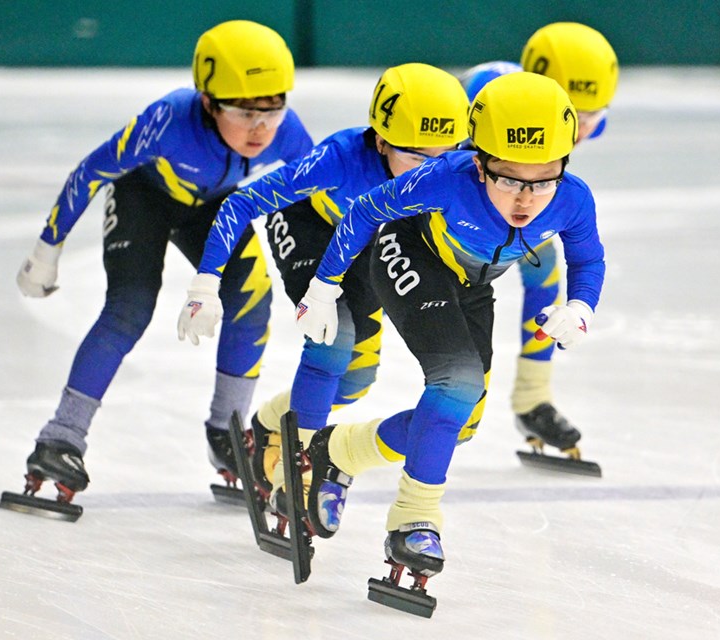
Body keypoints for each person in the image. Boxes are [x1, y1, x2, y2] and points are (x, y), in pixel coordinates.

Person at [292, 71, 606, 583]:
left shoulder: (572, 198)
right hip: (410, 253)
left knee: (463, 420)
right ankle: (414, 519)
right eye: (509, 179)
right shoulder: (446, 178)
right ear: (479, 164)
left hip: (472, 283)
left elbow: (588, 260)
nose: (525, 199)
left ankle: (340, 449)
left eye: (543, 180)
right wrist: (325, 285)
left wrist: (580, 309)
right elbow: (367, 210)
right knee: (456, 382)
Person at [7, 20, 313, 509]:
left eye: (273, 110)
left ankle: (226, 435)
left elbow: (319, 199)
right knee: (129, 309)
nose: (261, 129)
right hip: (143, 199)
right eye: (244, 111)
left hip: (214, 206)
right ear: (209, 103)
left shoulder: (287, 133)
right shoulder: (169, 120)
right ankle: (61, 437)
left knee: (253, 303)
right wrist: (48, 248)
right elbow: (91, 171)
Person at [176, 62, 470, 529]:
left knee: (354, 381)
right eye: (416, 159)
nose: (431, 173)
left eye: (445, 157)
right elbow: (242, 202)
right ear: (380, 140)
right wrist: (206, 282)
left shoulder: (458, 165)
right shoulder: (339, 157)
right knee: (333, 343)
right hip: (309, 227)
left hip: (364, 246)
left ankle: (269, 423)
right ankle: (298, 472)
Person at [458, 22, 618, 462]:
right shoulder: (485, 91)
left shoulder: (572, 119)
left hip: (512, 198)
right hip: (454, 204)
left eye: (593, 116)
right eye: (576, 115)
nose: (584, 129)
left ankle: (532, 398)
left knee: (545, 270)